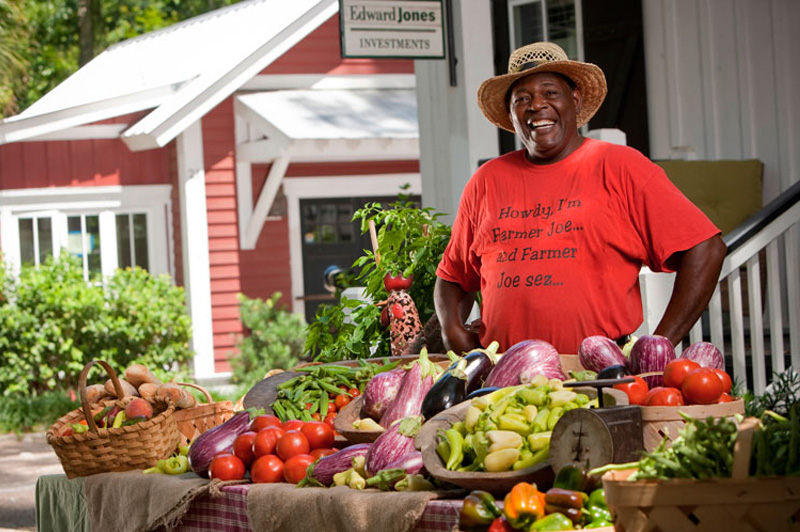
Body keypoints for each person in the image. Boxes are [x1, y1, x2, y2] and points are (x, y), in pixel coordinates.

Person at [434, 41, 727, 355]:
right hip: (503, 376)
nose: (536, 105)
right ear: (511, 114)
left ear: (575, 99)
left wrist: (660, 345)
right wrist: (451, 328)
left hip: (601, 373)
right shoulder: (487, 181)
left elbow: (706, 249)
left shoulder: (620, 166)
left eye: (550, 93)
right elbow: (452, 276)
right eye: (522, 98)